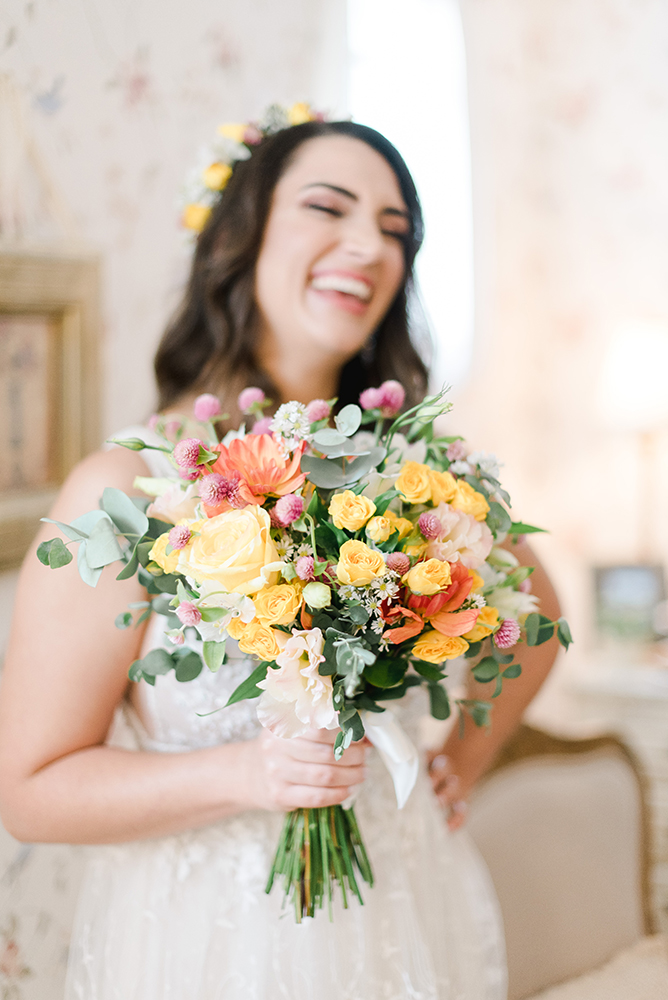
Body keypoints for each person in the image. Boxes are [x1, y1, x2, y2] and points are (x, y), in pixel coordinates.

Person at [0, 118, 560, 998]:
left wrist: (462, 763)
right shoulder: (130, 488)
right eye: (328, 208)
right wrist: (244, 774)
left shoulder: (417, 472)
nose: (368, 246)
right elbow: (30, 791)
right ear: (239, 236)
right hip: (210, 944)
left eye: (394, 230)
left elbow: (540, 618)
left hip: (401, 909)